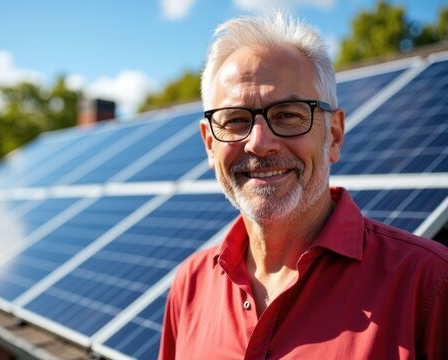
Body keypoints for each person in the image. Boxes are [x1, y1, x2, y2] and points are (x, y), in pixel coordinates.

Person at [159, 12, 448, 360]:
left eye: (288, 115)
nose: (259, 143)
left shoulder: (429, 286)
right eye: (235, 120)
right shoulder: (189, 286)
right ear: (209, 144)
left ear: (335, 135)